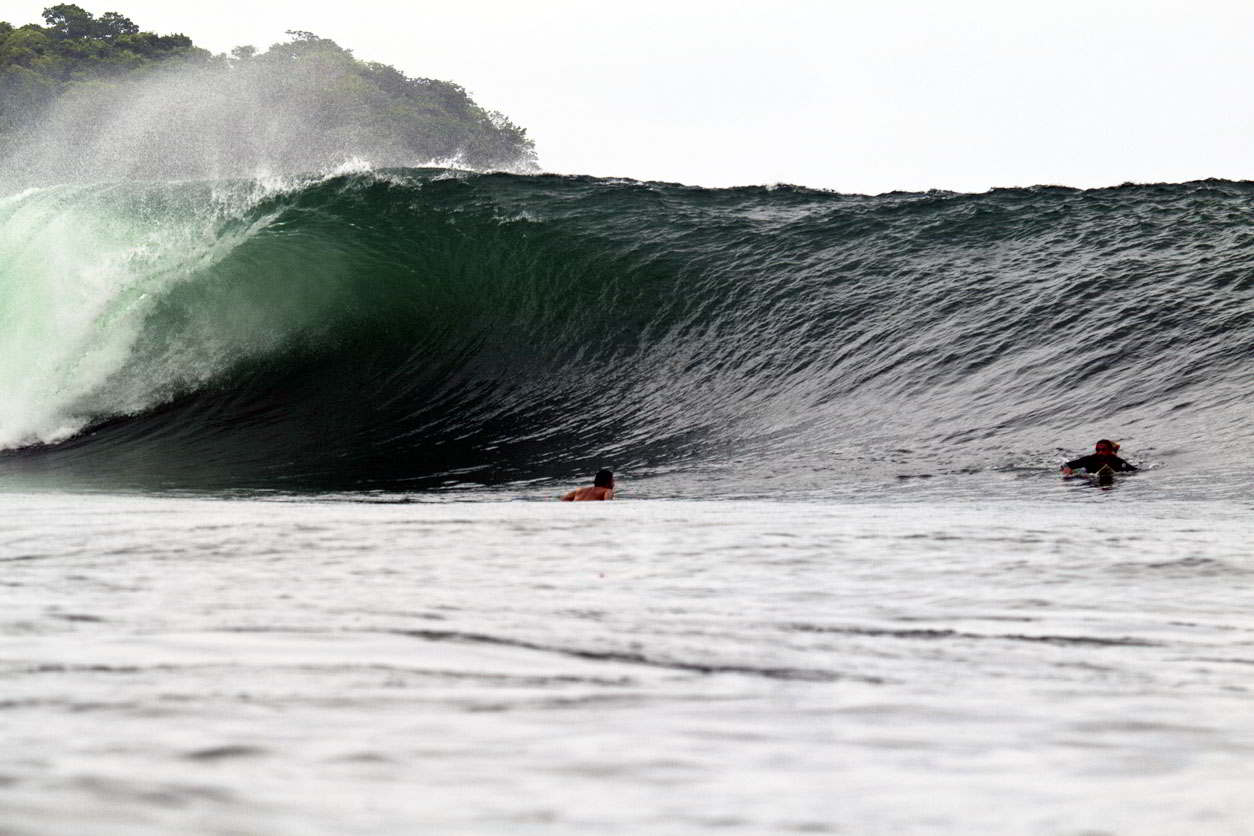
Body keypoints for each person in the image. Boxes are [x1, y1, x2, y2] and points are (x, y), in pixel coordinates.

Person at [1061, 440, 1137, 476]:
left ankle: (1115, 447)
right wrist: (1067, 469)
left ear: (1109, 450)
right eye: (1097, 450)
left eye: (1103, 450)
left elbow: (1135, 471)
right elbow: (1065, 465)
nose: (1100, 452)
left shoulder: (1117, 461)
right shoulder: (1089, 459)